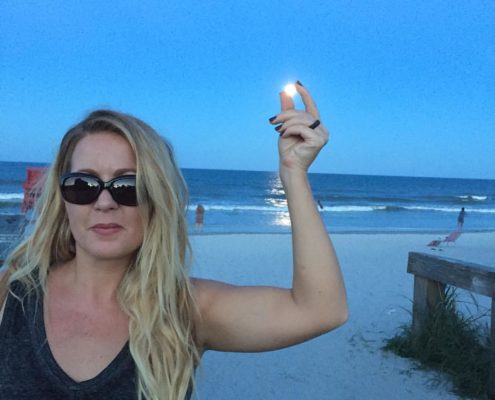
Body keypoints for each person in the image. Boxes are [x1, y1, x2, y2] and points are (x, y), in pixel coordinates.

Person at [0, 82, 348, 399]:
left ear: (157, 199)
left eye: (128, 186)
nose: (104, 202)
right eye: (83, 185)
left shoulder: (184, 308)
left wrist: (293, 172)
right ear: (63, 200)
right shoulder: (11, 294)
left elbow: (321, 310)